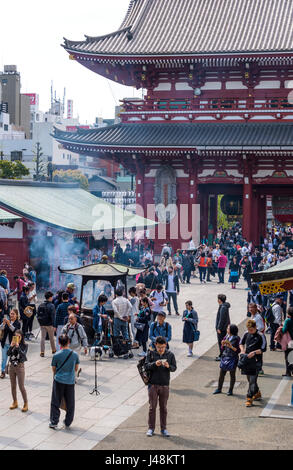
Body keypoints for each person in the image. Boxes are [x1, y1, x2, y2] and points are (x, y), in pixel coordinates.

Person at [145, 336, 177, 437]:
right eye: (159, 347)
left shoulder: (170, 355)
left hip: (164, 385)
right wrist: (155, 364)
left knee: (163, 408)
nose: (161, 349)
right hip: (153, 385)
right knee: (152, 408)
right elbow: (146, 366)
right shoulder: (151, 353)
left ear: (166, 345)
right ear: (155, 345)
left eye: (163, 347)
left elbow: (174, 368)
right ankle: (151, 428)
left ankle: (164, 429)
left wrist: (168, 366)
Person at [49, 334, 80, 429]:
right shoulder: (74, 355)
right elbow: (76, 368)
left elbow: (54, 369)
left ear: (59, 343)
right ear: (69, 342)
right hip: (70, 381)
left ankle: (54, 421)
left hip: (58, 380)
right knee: (70, 402)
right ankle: (68, 421)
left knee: (55, 401)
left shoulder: (56, 355)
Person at [240, 319, 264, 407]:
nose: (250, 331)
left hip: (256, 361)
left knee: (252, 380)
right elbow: (241, 343)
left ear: (255, 327)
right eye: (248, 329)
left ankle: (249, 398)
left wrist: (254, 352)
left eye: (251, 330)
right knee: (250, 380)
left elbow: (263, 349)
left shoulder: (260, 335)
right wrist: (242, 351)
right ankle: (257, 392)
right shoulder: (246, 334)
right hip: (247, 360)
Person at [213, 324, 240, 396]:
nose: (227, 329)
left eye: (228, 328)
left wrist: (231, 346)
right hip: (225, 356)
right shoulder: (226, 336)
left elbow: (238, 350)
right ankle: (219, 388)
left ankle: (230, 390)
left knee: (232, 374)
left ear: (232, 330)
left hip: (233, 358)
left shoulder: (236, 338)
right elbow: (222, 348)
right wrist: (223, 344)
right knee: (222, 374)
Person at [7, 329, 28, 412]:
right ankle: (15, 401)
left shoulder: (25, 345)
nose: (17, 338)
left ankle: (25, 403)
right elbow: (8, 354)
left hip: (20, 367)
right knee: (13, 386)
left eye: (18, 336)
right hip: (11, 366)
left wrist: (17, 346)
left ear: (21, 337)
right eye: (15, 336)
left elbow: (23, 356)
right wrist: (11, 346)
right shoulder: (12, 343)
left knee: (21, 386)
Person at [0, 308, 21, 378]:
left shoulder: (18, 323)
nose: (11, 315)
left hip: (13, 344)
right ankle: (2, 371)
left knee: (13, 359)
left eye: (13, 314)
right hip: (4, 343)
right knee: (4, 359)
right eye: (10, 313)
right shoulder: (7, 321)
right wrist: (3, 323)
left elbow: (15, 331)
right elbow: (1, 328)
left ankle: (13, 372)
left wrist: (9, 324)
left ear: (16, 315)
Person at [37, 291, 56, 357]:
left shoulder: (40, 305)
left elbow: (37, 314)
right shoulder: (52, 305)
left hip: (42, 324)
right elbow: (53, 316)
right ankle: (53, 350)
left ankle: (42, 352)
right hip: (49, 324)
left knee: (42, 338)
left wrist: (40, 323)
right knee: (51, 338)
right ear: (50, 297)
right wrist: (54, 325)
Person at [215, 294, 231, 361]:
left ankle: (222, 355)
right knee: (224, 341)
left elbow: (222, 319)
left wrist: (219, 328)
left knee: (221, 342)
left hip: (222, 328)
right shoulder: (224, 306)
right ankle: (223, 354)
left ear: (219, 300)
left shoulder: (223, 307)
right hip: (225, 327)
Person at [282, 307, 293, 377]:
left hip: (290, 341)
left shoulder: (288, 321)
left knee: (287, 356)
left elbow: (284, 330)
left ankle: (288, 372)